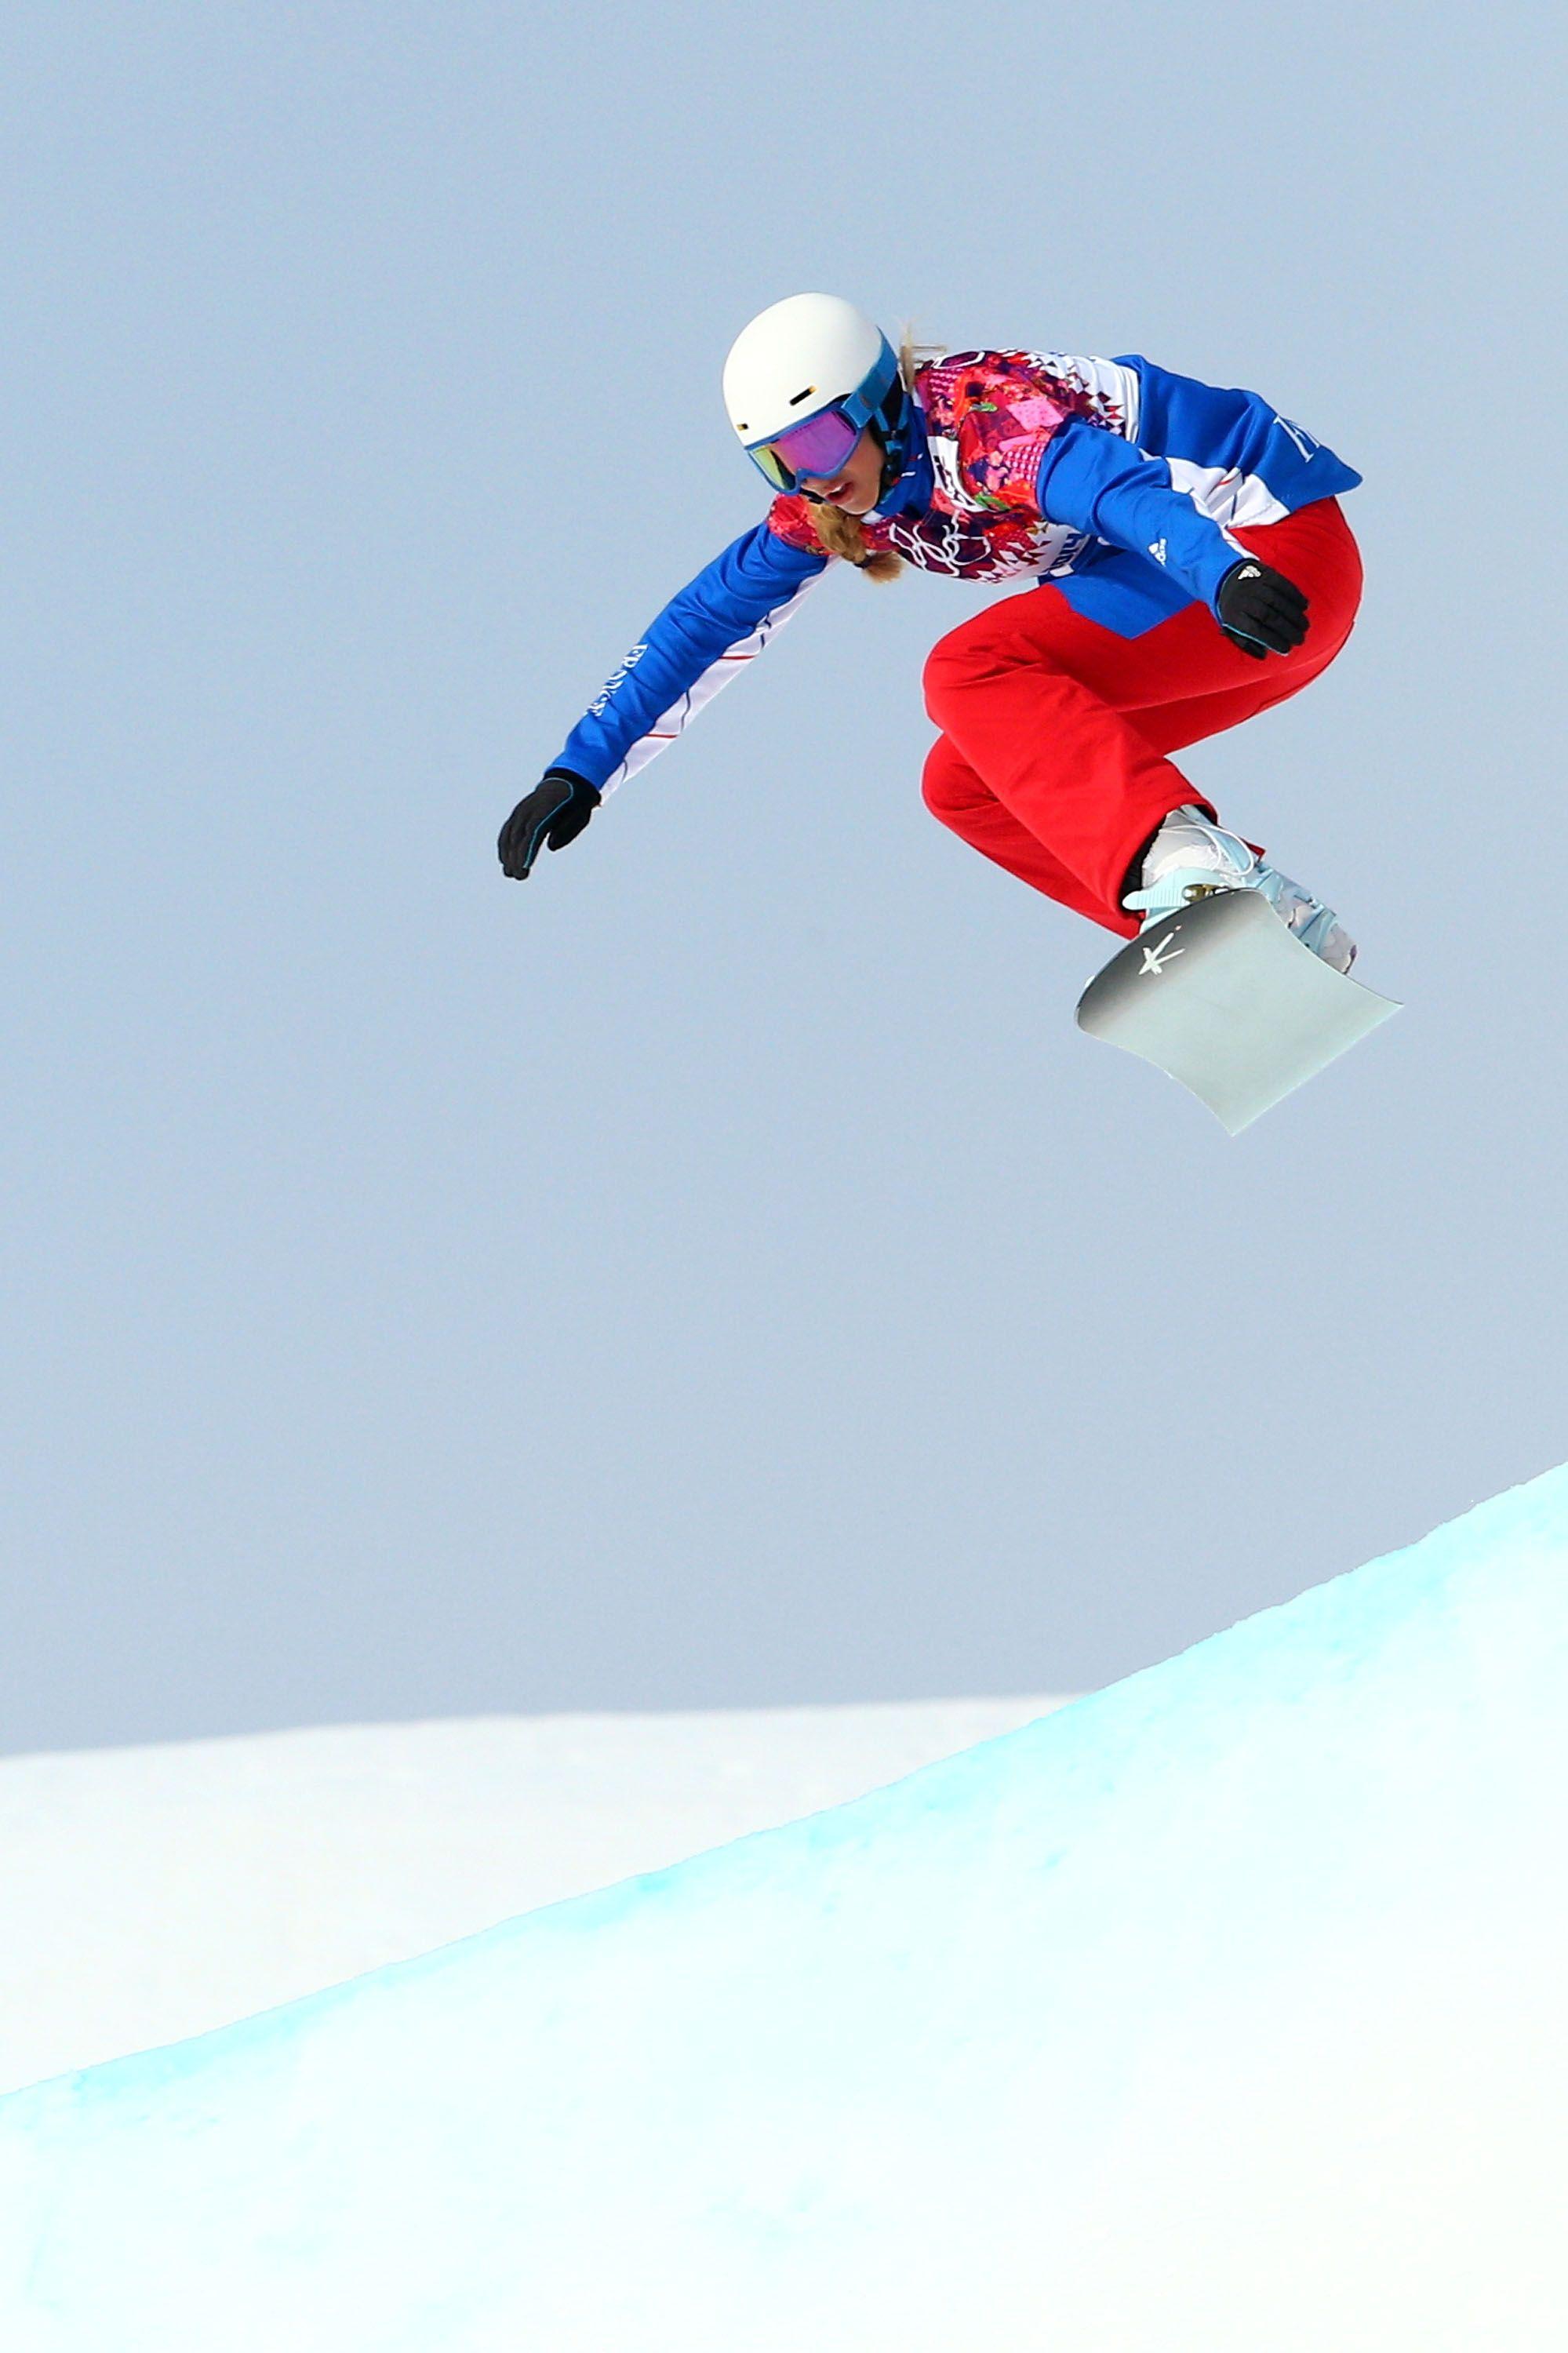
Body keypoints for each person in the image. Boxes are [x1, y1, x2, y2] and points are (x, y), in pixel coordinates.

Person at [498, 294, 1363, 969]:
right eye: (781, 462)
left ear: (877, 406)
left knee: (968, 669)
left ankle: (1193, 871)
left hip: (1263, 560)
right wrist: (582, 769)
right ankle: (1247, 934)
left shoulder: (980, 418)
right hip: (1222, 618)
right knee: (965, 782)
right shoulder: (850, 502)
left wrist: (1222, 571)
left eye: (822, 440)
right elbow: (704, 621)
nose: (815, 478)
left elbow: (1112, 489)